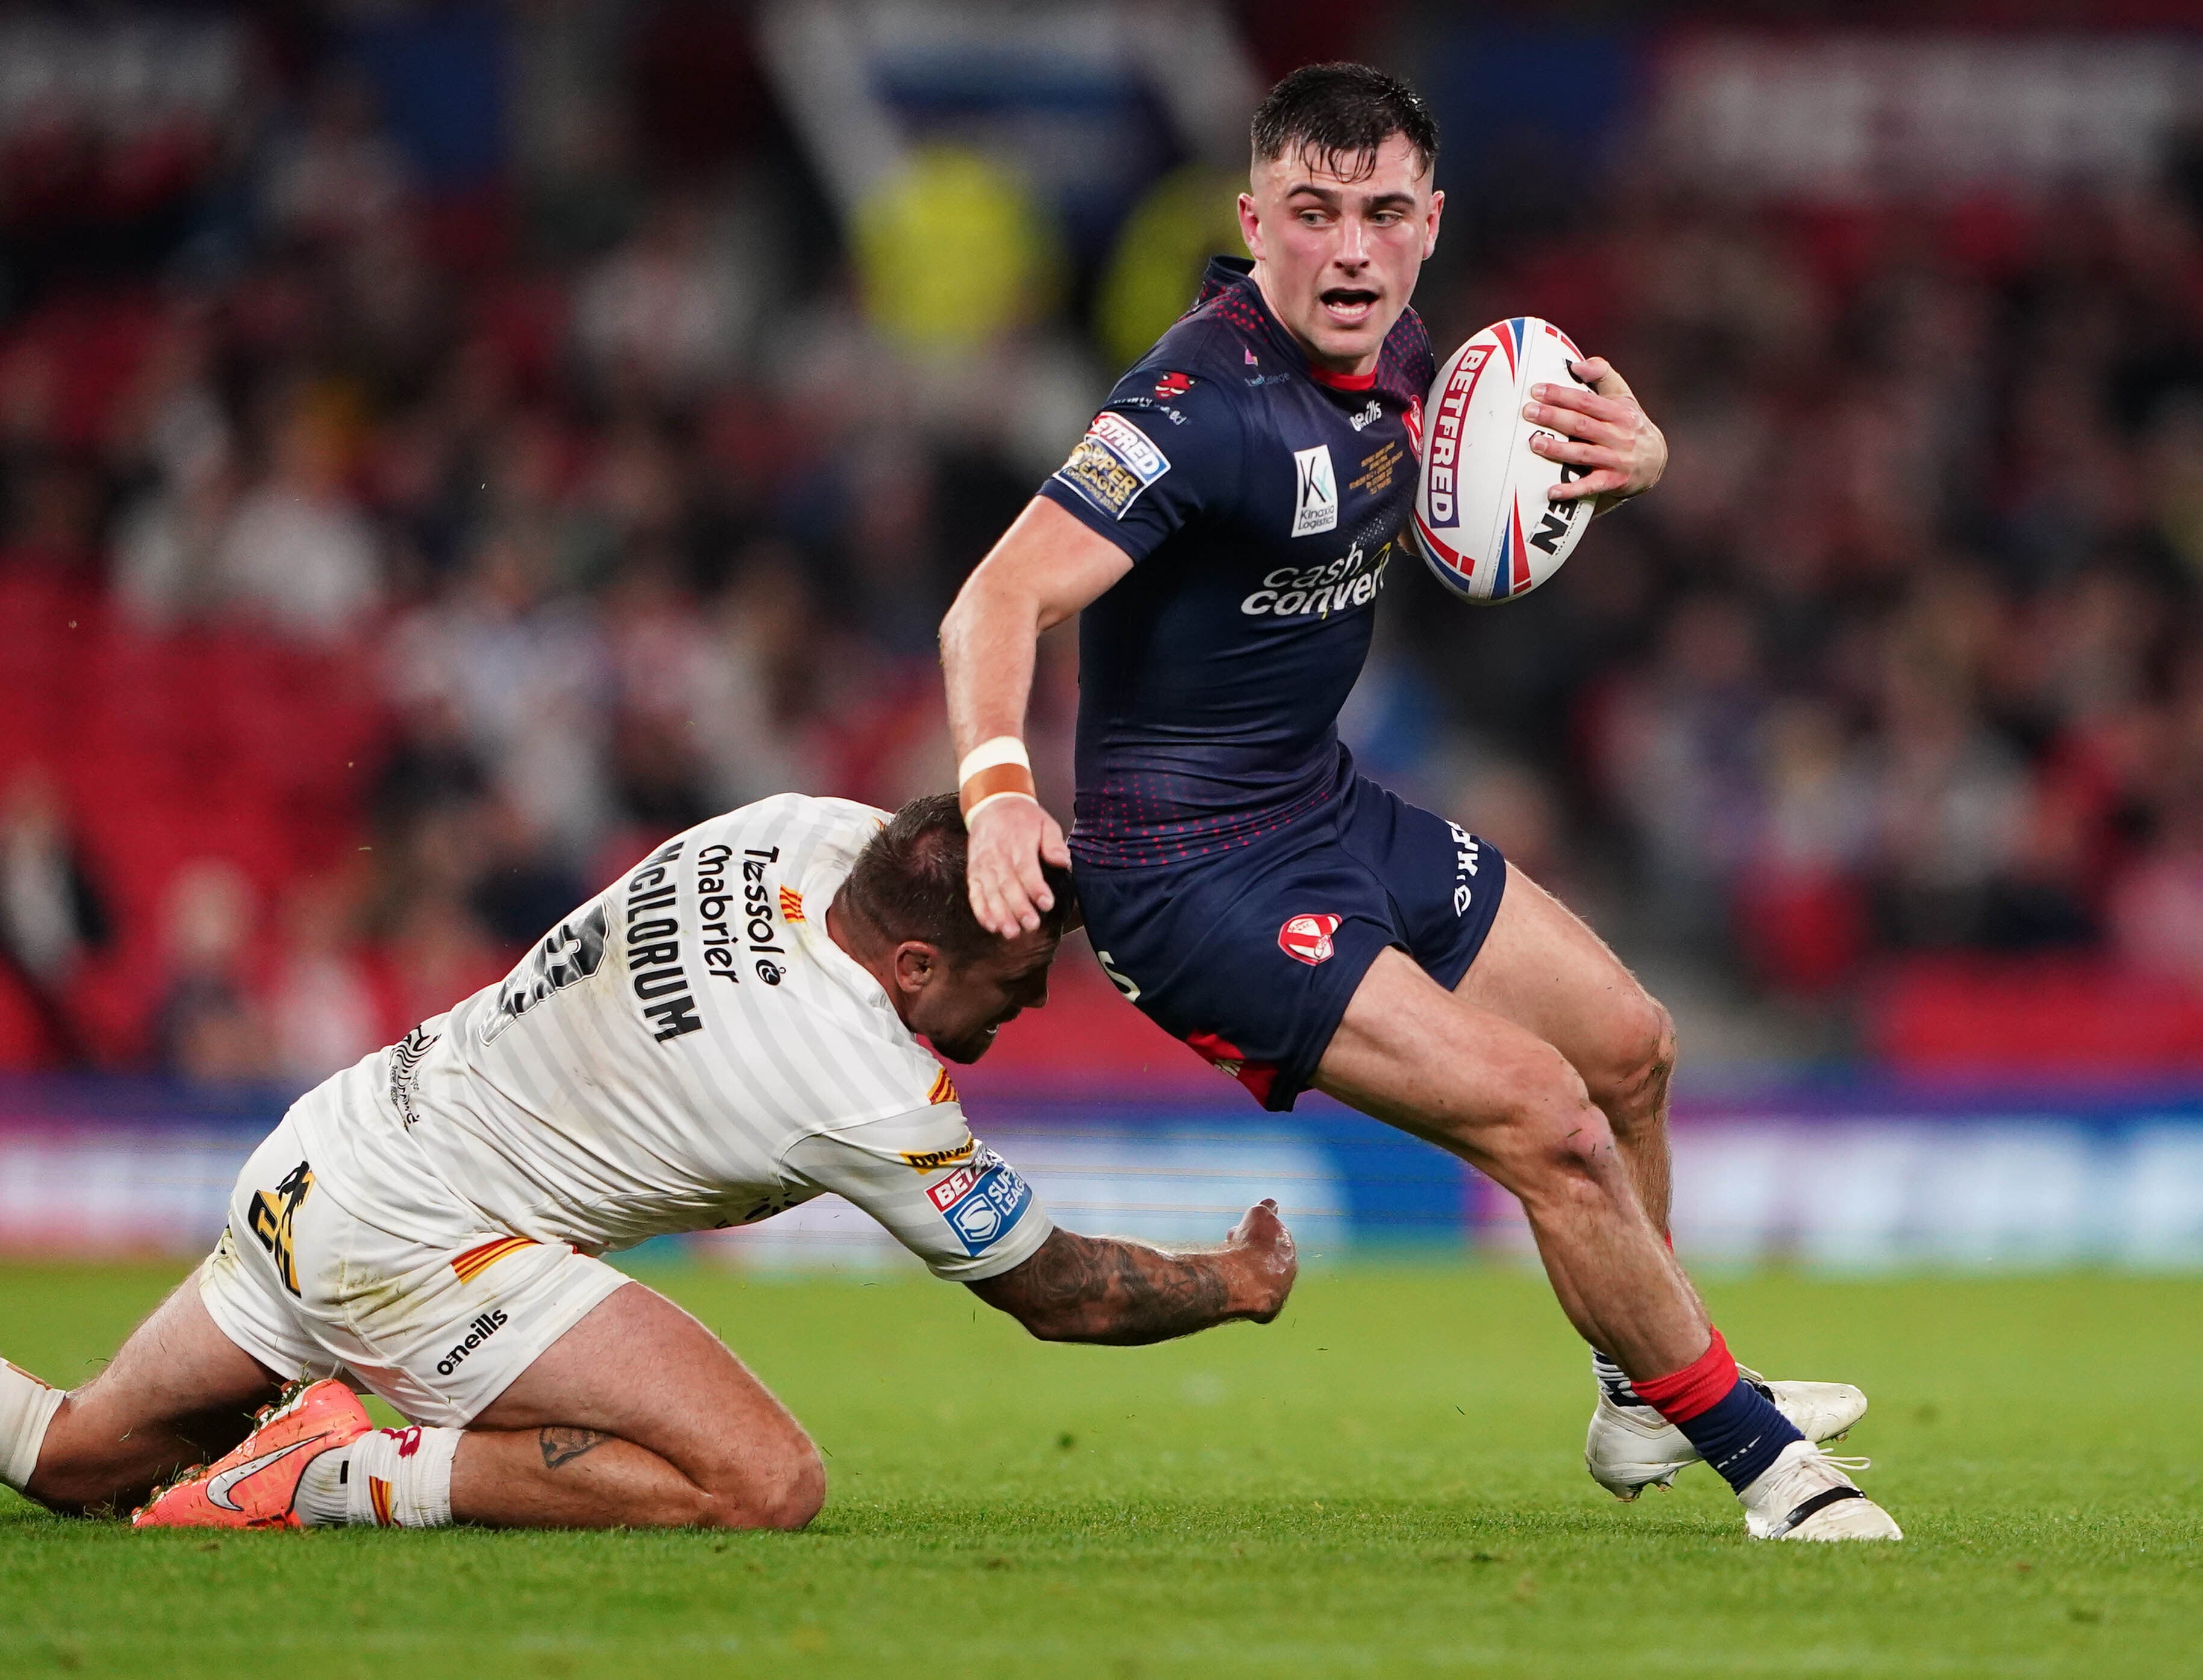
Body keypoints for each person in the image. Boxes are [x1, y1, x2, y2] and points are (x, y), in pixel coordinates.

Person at [939, 63, 1898, 1541]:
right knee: (1550, 1124)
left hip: (1322, 807)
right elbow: (996, 597)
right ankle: (1767, 1464)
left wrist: (1626, 468)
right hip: (1193, 882)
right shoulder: (1194, 409)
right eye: (1313, 214)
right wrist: (1000, 789)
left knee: (1632, 1054)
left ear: (1430, 223)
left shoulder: (1419, 365)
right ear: (1254, 219)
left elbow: (1483, 514)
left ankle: (1644, 1399)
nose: (1351, 250)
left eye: (1383, 213)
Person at [0, 793, 1297, 1531]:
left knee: (74, 1461)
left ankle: (309, 1451)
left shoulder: (801, 829)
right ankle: (334, 1475)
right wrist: (1233, 1285)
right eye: (1017, 976)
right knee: (763, 1484)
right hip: (417, 1240)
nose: (1029, 1001)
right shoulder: (854, 1082)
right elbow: (1057, 1291)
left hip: (330, 1142)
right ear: (913, 965)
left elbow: (957, 843)